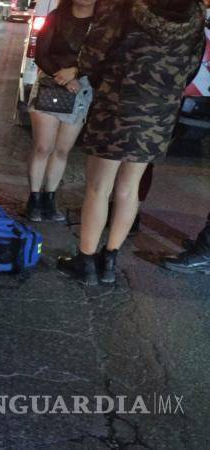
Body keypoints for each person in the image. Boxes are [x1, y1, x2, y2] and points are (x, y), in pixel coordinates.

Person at [57, 0, 206, 285]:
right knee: (129, 188)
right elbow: (192, 66)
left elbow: (92, 56)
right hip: (159, 113)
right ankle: (110, 261)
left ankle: (86, 261)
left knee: (99, 187)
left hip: (118, 106)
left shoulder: (123, 6)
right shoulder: (195, 14)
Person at [25, 0, 97, 222]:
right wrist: (62, 76)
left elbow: (102, 59)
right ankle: (34, 199)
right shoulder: (56, 16)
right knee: (42, 147)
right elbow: (41, 54)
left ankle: (49, 198)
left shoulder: (103, 23)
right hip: (50, 84)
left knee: (63, 150)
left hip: (81, 89)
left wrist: (75, 71)